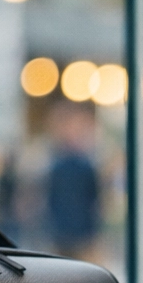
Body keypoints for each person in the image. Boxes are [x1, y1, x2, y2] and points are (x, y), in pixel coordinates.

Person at [45, 102, 101, 260]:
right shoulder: (56, 165)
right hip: (62, 233)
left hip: (82, 234)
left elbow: (93, 198)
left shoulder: (85, 165)